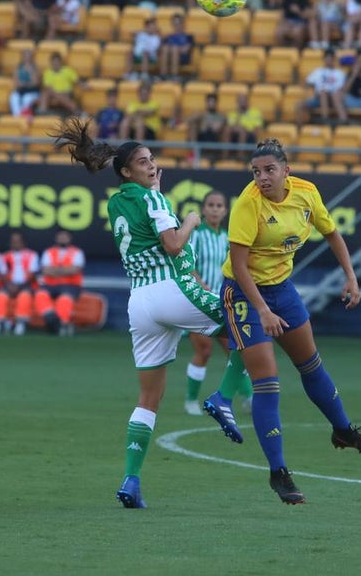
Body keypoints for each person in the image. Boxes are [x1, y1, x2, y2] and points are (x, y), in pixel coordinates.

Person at [52, 118, 225, 509]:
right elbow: (173, 244)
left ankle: (131, 479)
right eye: (144, 161)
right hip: (170, 288)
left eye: (152, 160)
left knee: (148, 397)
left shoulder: (118, 200)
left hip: (140, 303)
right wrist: (192, 220)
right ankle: (223, 398)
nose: (151, 165)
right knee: (244, 322)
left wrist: (156, 195)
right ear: (127, 170)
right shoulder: (154, 200)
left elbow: (145, 212)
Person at [202, 139, 361, 504]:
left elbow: (332, 232)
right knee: (267, 382)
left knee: (311, 365)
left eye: (270, 170)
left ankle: (344, 430)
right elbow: (238, 266)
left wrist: (351, 276)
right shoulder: (248, 203)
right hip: (242, 293)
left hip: (282, 290)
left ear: (287, 170)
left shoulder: (306, 193)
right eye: (256, 171)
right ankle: (279, 472)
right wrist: (263, 311)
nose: (262, 177)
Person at [185, 190, 254, 415]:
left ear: (225, 210)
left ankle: (248, 397)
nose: (215, 209)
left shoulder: (227, 237)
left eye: (219, 205)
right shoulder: (196, 234)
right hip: (199, 301)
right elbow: (184, 261)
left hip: (223, 302)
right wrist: (199, 282)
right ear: (204, 209)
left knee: (236, 350)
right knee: (204, 351)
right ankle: (191, 400)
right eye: (211, 205)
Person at [0, 231, 43, 336]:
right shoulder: (5, 256)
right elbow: (3, 273)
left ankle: (21, 323)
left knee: (24, 296)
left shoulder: (32, 255)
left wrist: (19, 287)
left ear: (23, 242)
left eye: (18, 241)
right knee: (0, 295)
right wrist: (10, 285)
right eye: (13, 241)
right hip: (9, 285)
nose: (16, 243)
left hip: (26, 285)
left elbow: (33, 274)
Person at [37, 230, 86, 336]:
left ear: (70, 238)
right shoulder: (49, 252)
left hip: (71, 285)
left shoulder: (77, 252)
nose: (62, 239)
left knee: (64, 299)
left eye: (65, 236)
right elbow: (45, 271)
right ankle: (52, 319)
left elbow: (74, 270)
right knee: (40, 295)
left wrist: (55, 270)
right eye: (60, 236)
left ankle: (63, 324)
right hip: (50, 285)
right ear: (56, 238)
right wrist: (65, 270)